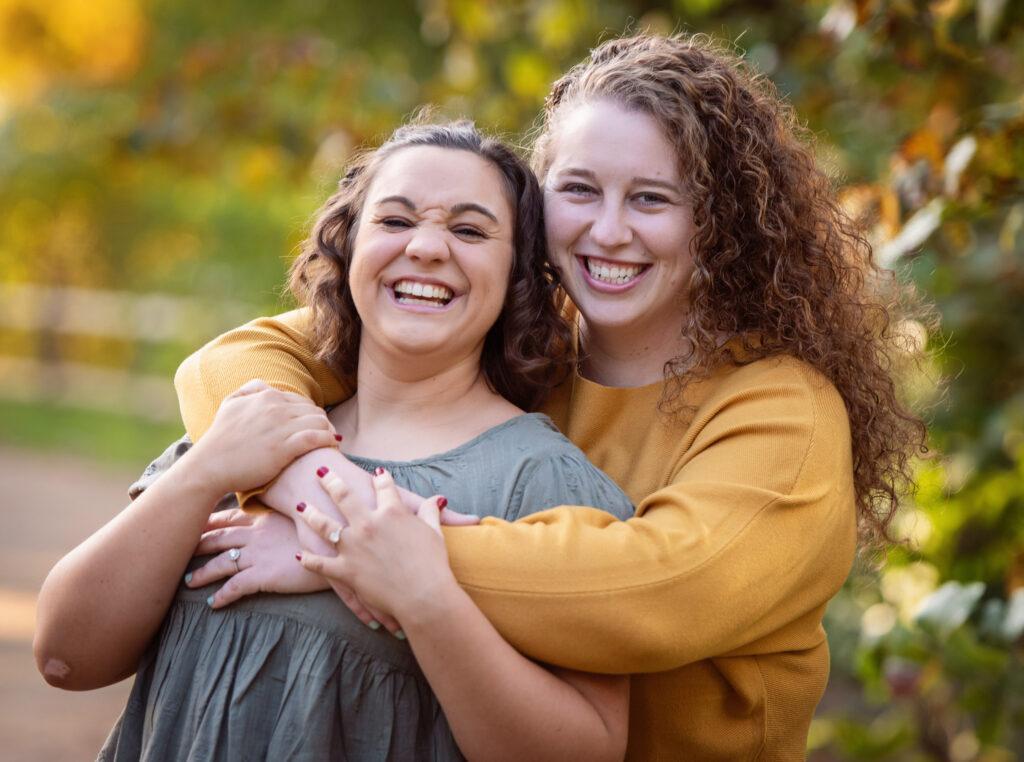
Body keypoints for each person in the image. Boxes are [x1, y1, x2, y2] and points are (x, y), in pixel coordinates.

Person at [173, 33, 928, 760]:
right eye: (578, 190)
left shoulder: (782, 412)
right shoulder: (522, 335)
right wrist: (330, 511)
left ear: (720, 221)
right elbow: (234, 362)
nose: (608, 231)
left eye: (652, 200)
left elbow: (654, 592)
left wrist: (366, 555)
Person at [33, 121, 635, 761]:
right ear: (348, 250)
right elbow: (66, 657)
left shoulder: (544, 485)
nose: (427, 247)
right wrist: (203, 471)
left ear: (518, 273)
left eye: (468, 230)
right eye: (396, 221)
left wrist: (418, 596)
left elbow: (587, 751)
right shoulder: (251, 424)